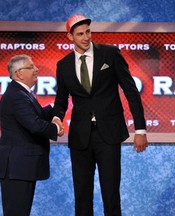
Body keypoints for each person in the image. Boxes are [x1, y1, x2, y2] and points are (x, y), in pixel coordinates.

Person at [52, 14, 148, 215]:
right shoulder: (64, 65)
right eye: (80, 34)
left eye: (88, 31)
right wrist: (56, 118)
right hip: (80, 137)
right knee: (82, 196)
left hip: (109, 135)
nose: (86, 37)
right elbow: (61, 100)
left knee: (111, 194)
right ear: (70, 37)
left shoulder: (110, 54)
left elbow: (131, 91)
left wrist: (140, 129)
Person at [0, 54, 64, 216]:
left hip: (22, 167)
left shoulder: (22, 93)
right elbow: (34, 124)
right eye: (31, 67)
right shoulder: (16, 96)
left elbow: (37, 115)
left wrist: (56, 105)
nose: (36, 70)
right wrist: (56, 128)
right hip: (17, 168)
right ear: (19, 73)